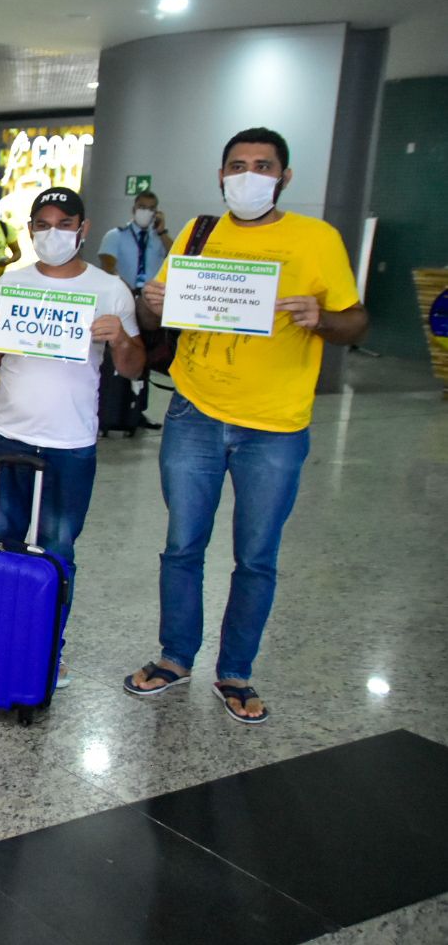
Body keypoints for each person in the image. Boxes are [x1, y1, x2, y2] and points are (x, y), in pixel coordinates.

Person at [124, 128, 369, 723]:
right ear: (220, 174)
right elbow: (166, 307)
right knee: (183, 545)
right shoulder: (199, 232)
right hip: (195, 411)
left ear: (284, 178)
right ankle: (176, 655)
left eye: (263, 166)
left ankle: (235, 671)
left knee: (256, 555)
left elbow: (356, 320)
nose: (249, 175)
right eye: (238, 165)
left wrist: (323, 318)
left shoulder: (317, 239)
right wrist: (152, 305)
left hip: (274, 425)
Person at [0, 187, 144, 688]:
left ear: (83, 229)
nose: (53, 234)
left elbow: (133, 368)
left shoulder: (110, 290)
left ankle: (48, 648)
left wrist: (121, 337)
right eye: (41, 224)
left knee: (56, 550)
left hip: (70, 443)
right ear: (29, 231)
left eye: (63, 223)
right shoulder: (12, 283)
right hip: (5, 435)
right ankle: (0, 641)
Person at [98, 190, 170, 291]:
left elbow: (176, 258)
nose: (146, 211)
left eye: (151, 208)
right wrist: (126, 291)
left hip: (151, 297)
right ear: (133, 209)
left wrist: (162, 232)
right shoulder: (115, 235)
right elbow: (107, 268)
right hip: (123, 293)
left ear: (156, 213)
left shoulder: (159, 238)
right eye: (142, 207)